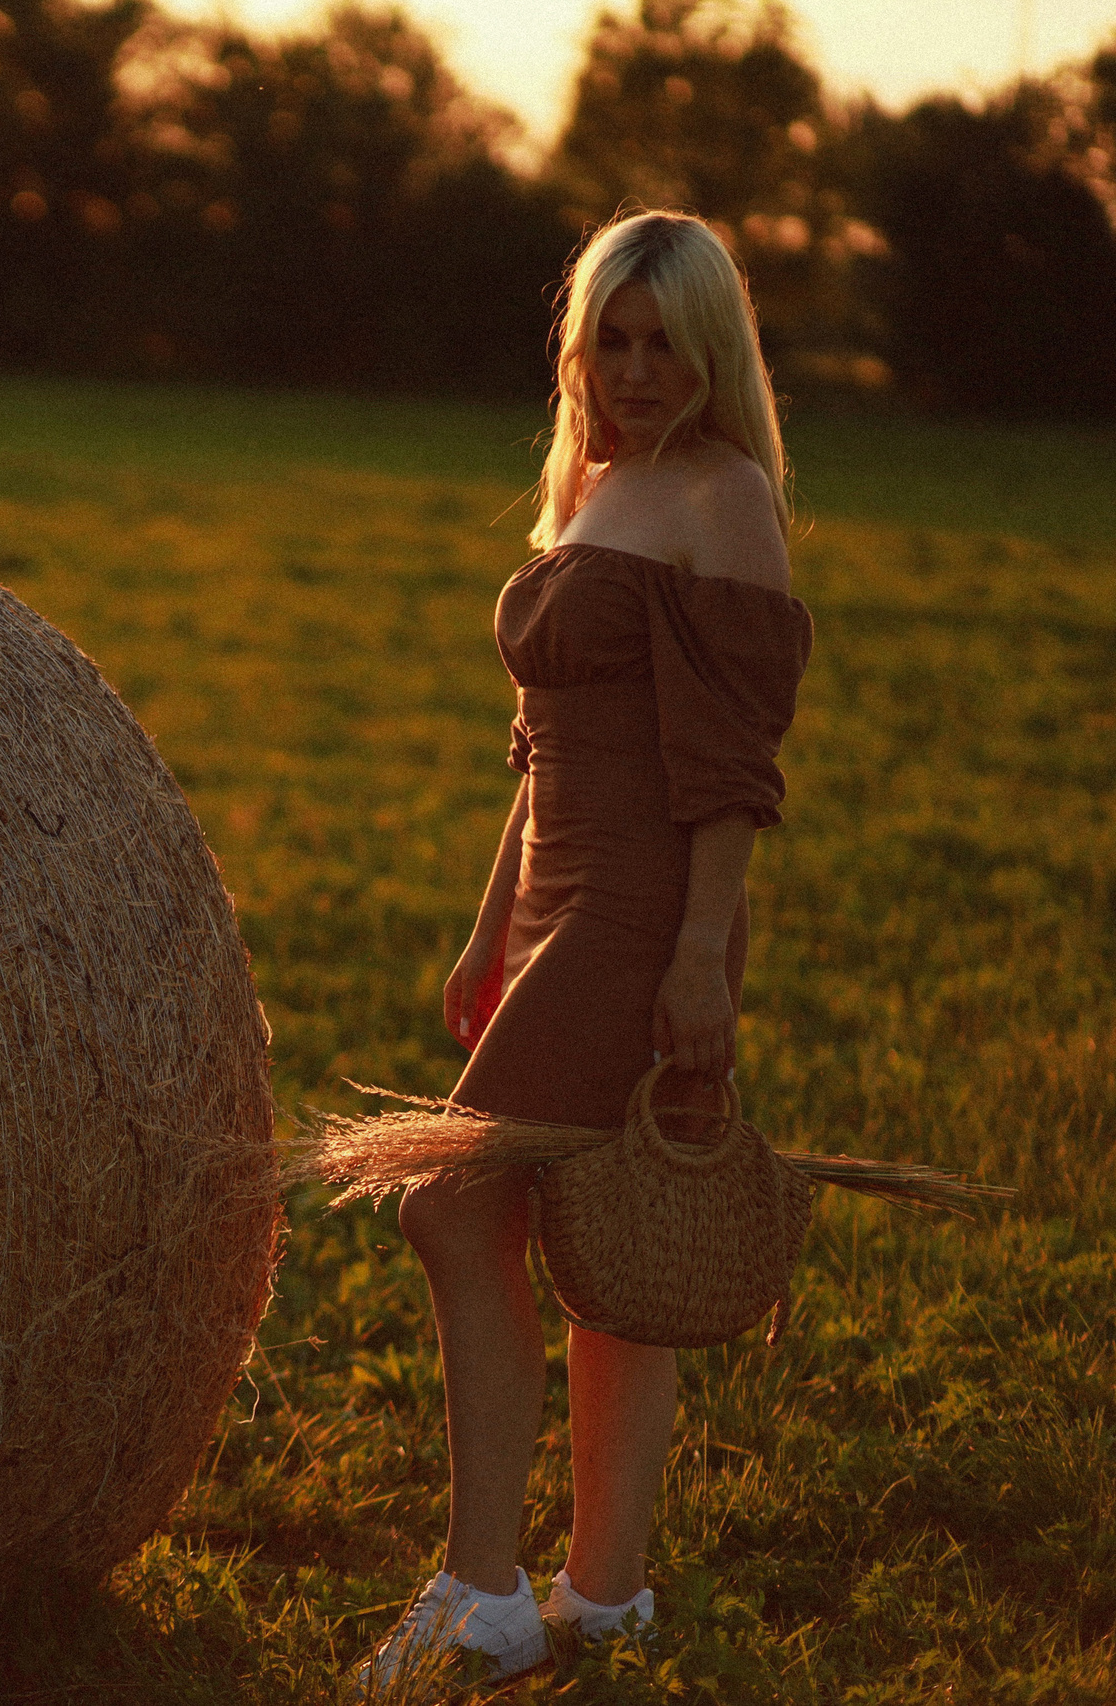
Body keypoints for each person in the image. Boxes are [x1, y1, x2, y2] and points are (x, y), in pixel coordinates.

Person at [355, 209, 814, 1691]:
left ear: (711, 348)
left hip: (644, 911)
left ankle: (481, 1597)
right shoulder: (597, 487)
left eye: (660, 339)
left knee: (450, 1208)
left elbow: (736, 766)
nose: (631, 366)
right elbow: (540, 755)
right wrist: (491, 932)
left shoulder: (724, 496)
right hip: (557, 900)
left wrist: (697, 955)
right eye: (608, 338)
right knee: (590, 1235)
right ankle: (603, 1595)